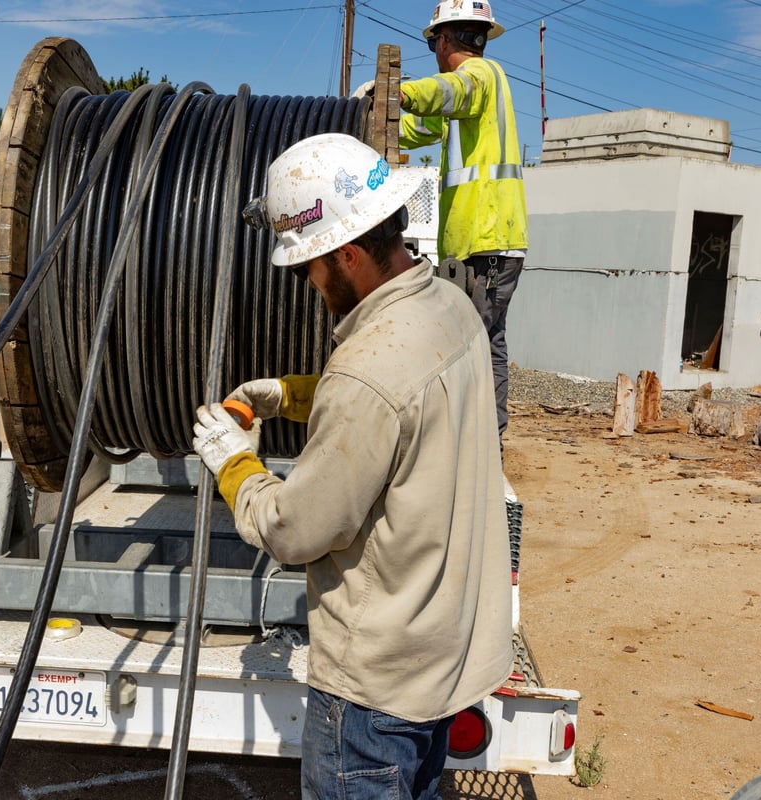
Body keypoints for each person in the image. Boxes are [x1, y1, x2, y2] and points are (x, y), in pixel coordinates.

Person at [191, 133, 511, 800]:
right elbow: (401, 414)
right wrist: (286, 394)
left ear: (348, 254)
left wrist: (233, 463)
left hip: (371, 699)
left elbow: (293, 529)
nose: (308, 283)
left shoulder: (367, 372)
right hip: (438, 666)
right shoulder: (454, 309)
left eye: (308, 266)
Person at [399, 0, 528, 441]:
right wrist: (369, 115)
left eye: (434, 40)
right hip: (485, 242)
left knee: (467, 347)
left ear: (446, 39)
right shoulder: (469, 97)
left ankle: (474, 449)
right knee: (486, 344)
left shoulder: (479, 78)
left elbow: (449, 93)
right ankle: (487, 443)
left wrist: (402, 91)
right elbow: (421, 128)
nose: (434, 48)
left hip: (485, 241)